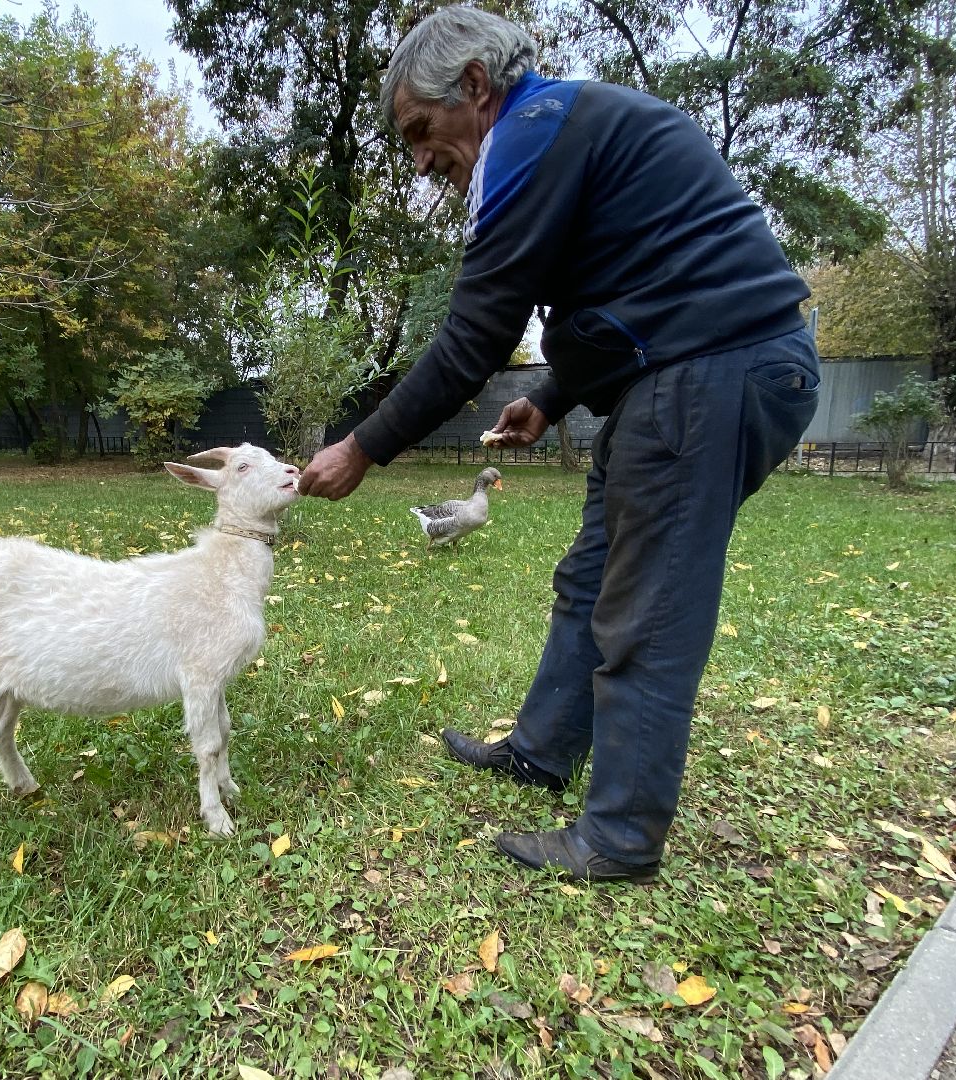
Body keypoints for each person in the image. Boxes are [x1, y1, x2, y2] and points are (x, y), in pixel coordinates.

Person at [298, 6, 820, 884]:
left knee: (647, 607)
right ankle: (543, 751)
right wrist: (550, 394)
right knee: (592, 577)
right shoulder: (565, 128)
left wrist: (362, 446)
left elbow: (472, 338)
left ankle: (618, 838)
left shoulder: (532, 132)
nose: (420, 159)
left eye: (422, 131)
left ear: (474, 86)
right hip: (683, 370)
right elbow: (638, 284)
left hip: (712, 372)